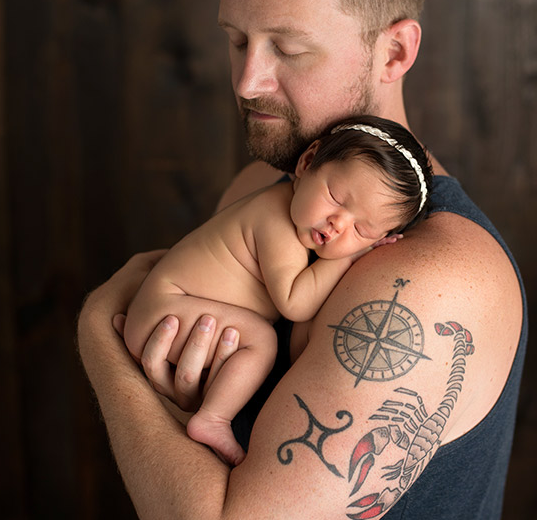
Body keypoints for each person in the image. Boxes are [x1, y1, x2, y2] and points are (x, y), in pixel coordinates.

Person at [0, 0, 527, 520]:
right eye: (237, 38)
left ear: (395, 51)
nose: (246, 79)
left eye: (288, 46)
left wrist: (101, 333)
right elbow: (181, 440)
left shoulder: (430, 284)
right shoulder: (262, 186)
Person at [123, 116, 433, 467]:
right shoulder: (275, 219)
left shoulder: (296, 216)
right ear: (306, 162)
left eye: (362, 229)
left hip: (167, 312)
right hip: (165, 312)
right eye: (334, 196)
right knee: (261, 341)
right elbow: (295, 303)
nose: (339, 224)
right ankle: (213, 419)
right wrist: (350, 255)